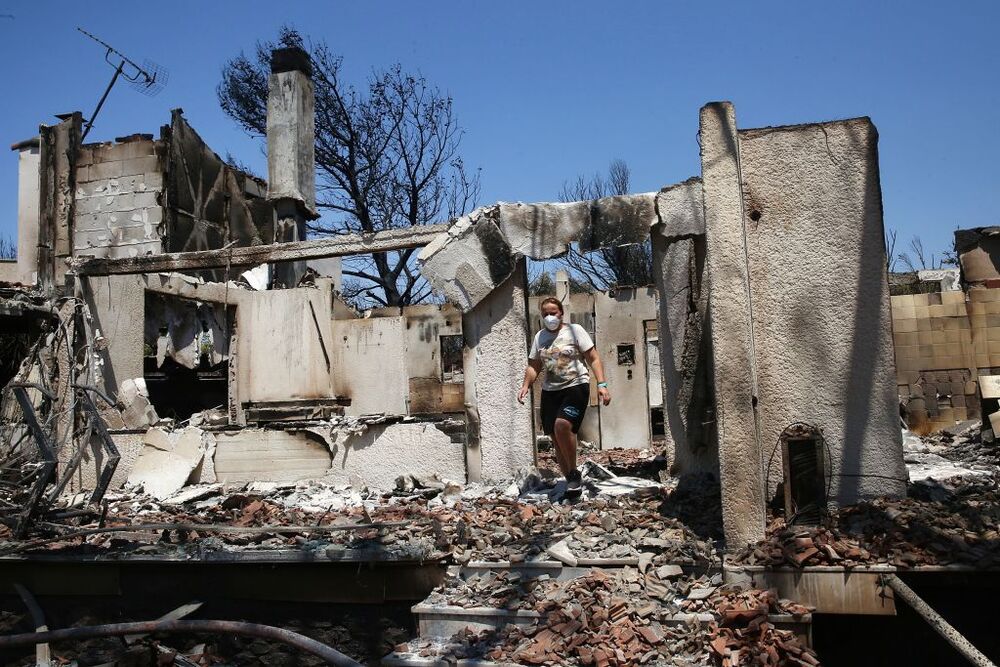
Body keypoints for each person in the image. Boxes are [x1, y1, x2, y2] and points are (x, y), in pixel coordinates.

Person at [517, 297, 611, 497]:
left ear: (561, 313)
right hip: (551, 391)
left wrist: (601, 384)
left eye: (554, 312)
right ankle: (570, 478)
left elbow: (593, 358)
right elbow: (534, 365)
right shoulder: (540, 337)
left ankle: (573, 471)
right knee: (554, 435)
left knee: (563, 426)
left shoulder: (575, 331)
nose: (550, 317)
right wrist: (526, 385)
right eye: (546, 314)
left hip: (576, 386)